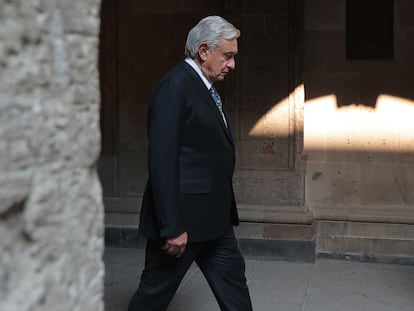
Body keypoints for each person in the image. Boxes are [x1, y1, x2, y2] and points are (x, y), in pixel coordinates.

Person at [128, 15, 253, 311]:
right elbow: (162, 160)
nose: (232, 64)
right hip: (183, 224)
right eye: (228, 56)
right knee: (153, 295)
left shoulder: (203, 87)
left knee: (234, 286)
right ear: (204, 51)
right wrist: (171, 227)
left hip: (215, 220)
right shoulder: (175, 87)